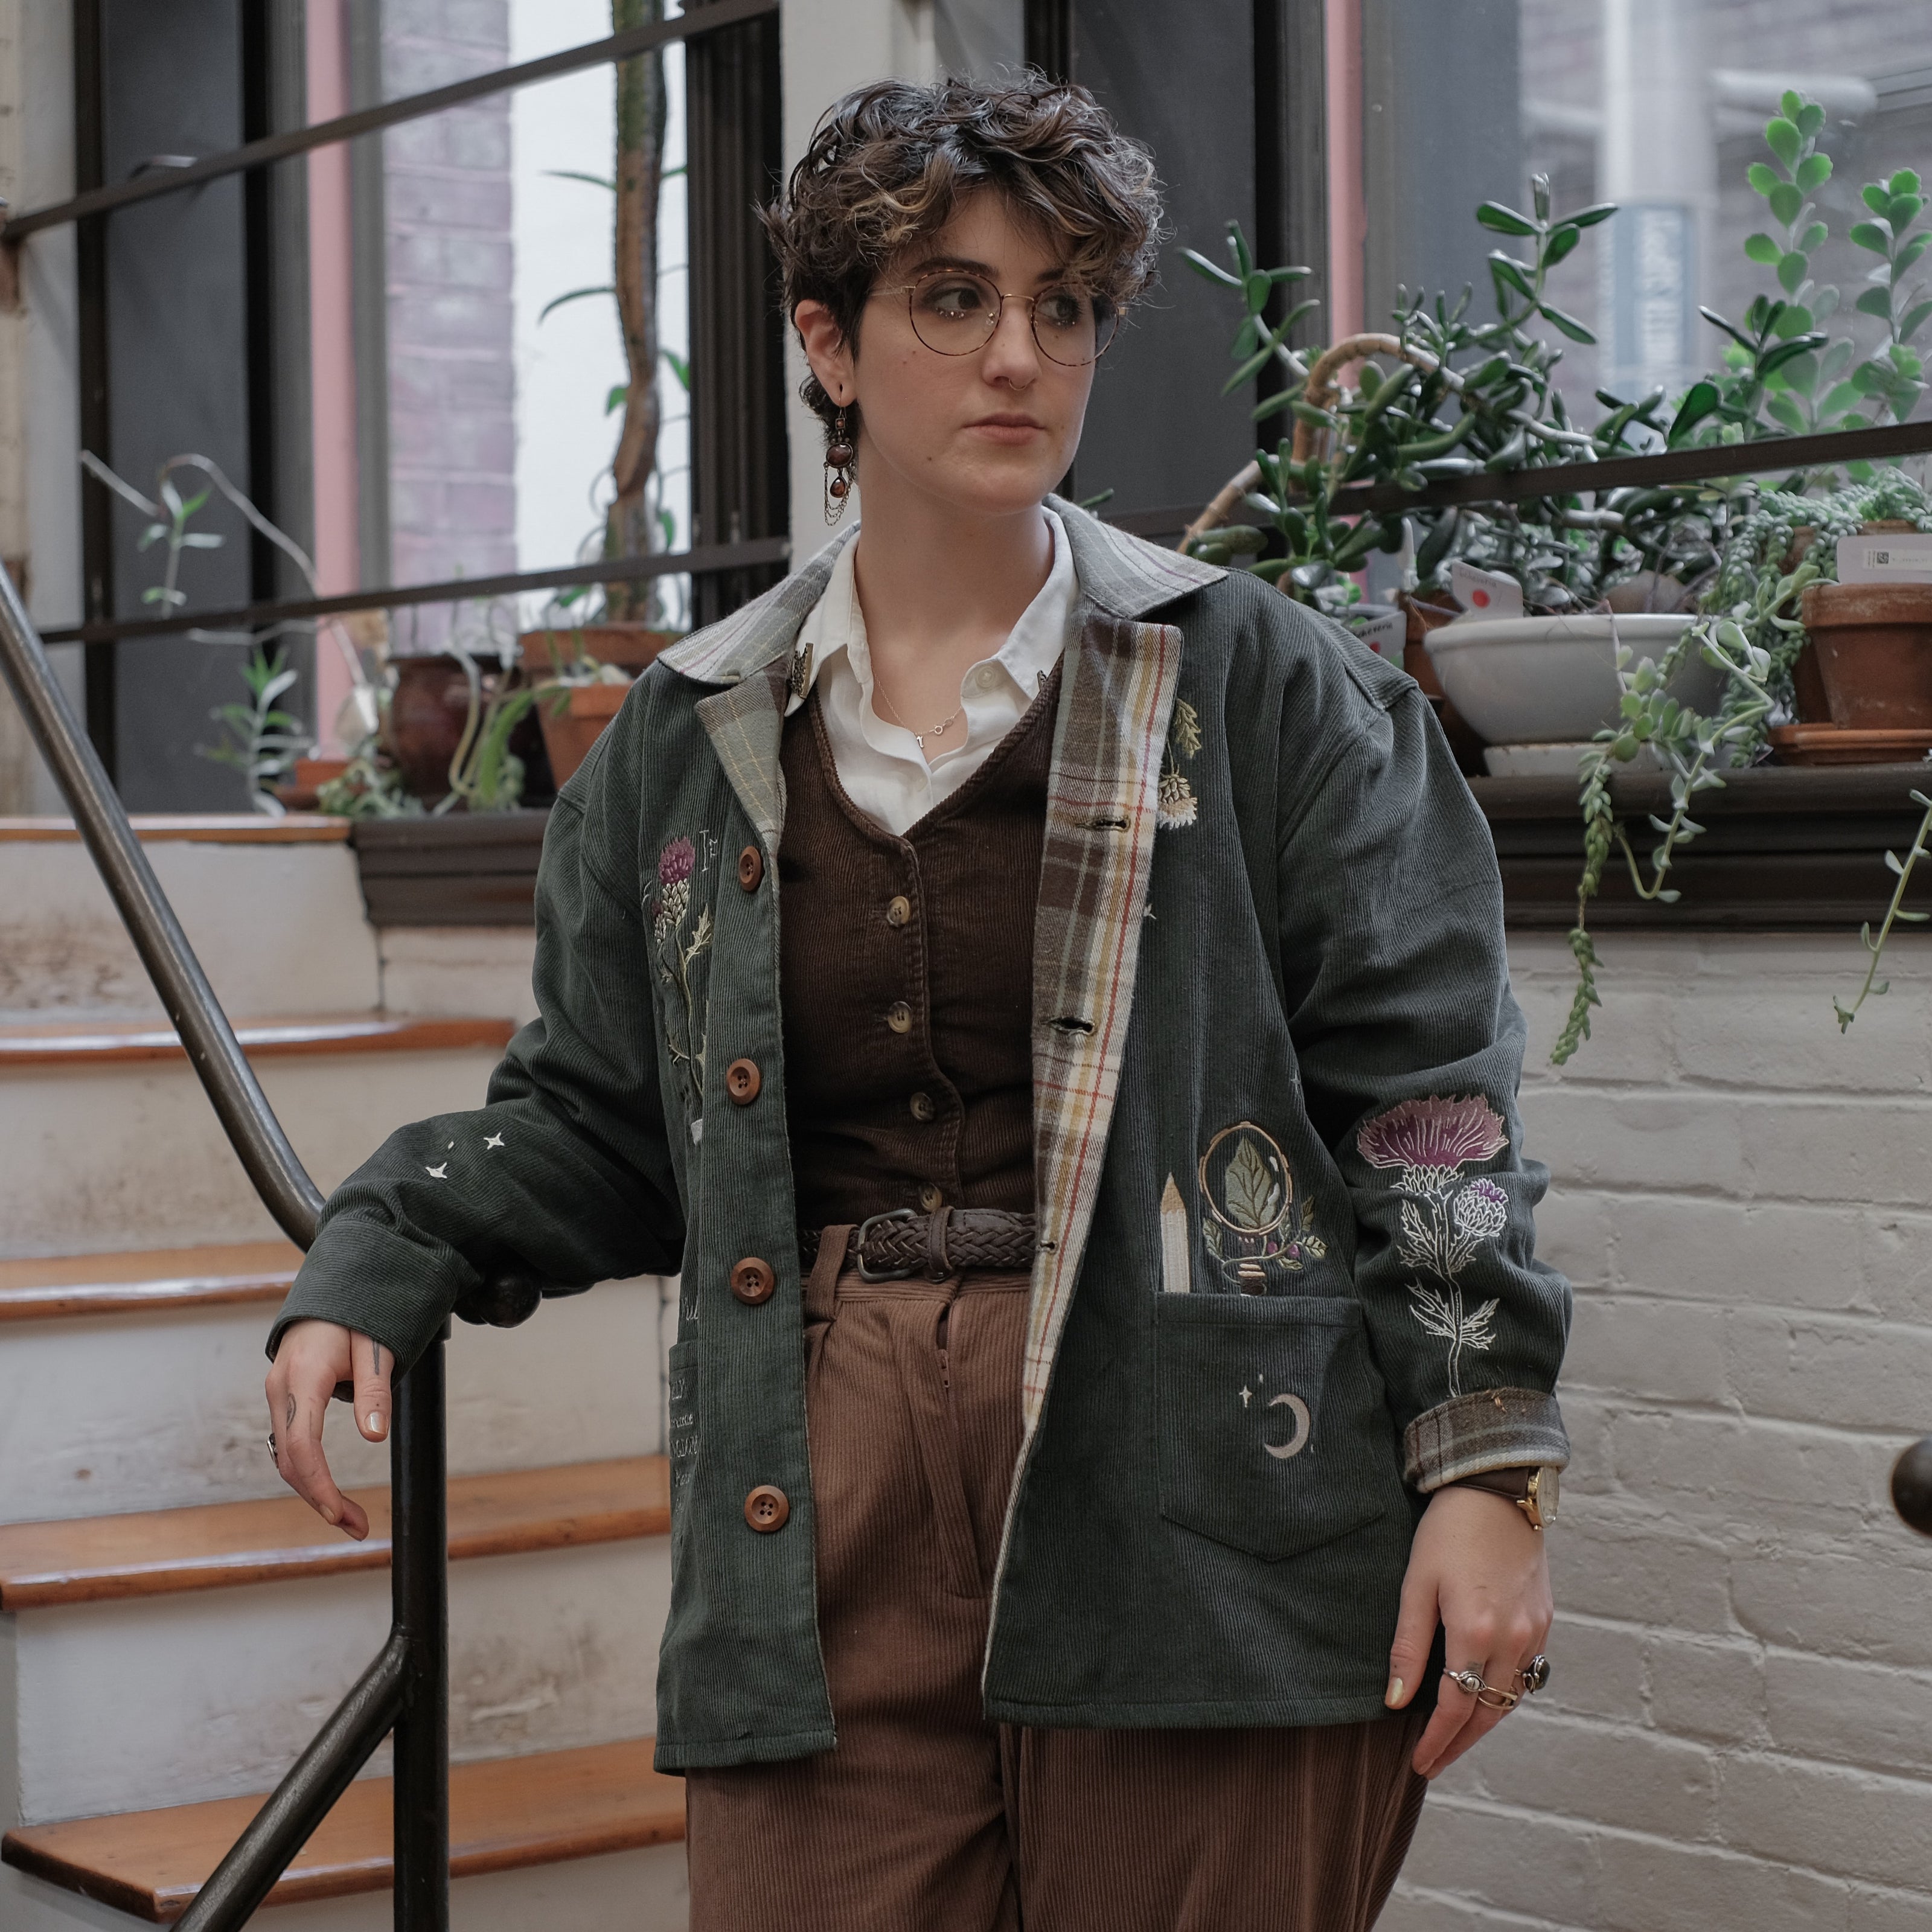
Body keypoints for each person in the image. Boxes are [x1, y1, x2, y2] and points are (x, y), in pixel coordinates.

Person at [264, 72, 1569, 1932]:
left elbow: (1428, 1107)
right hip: (824, 1500)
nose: (1017, 356)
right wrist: (386, 1243)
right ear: (831, 343)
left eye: (1063, 308)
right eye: (952, 300)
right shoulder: (681, 741)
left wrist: (1487, 1468)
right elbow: (600, 1116)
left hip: (1204, 1477)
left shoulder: (1259, 684)